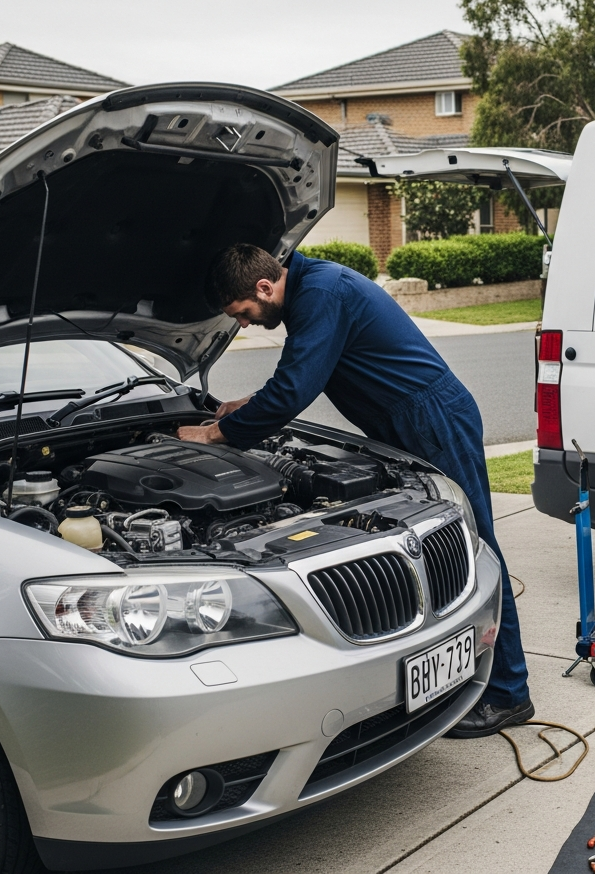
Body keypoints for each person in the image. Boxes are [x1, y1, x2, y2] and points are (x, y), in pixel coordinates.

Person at [177, 244, 532, 737]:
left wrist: (214, 434)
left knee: (475, 546)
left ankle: (508, 694)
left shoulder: (321, 293)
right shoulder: (310, 290)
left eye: (244, 313)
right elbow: (306, 373)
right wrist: (247, 405)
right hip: (404, 418)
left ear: (264, 287)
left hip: (430, 418)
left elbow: (297, 385)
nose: (245, 324)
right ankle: (444, 670)